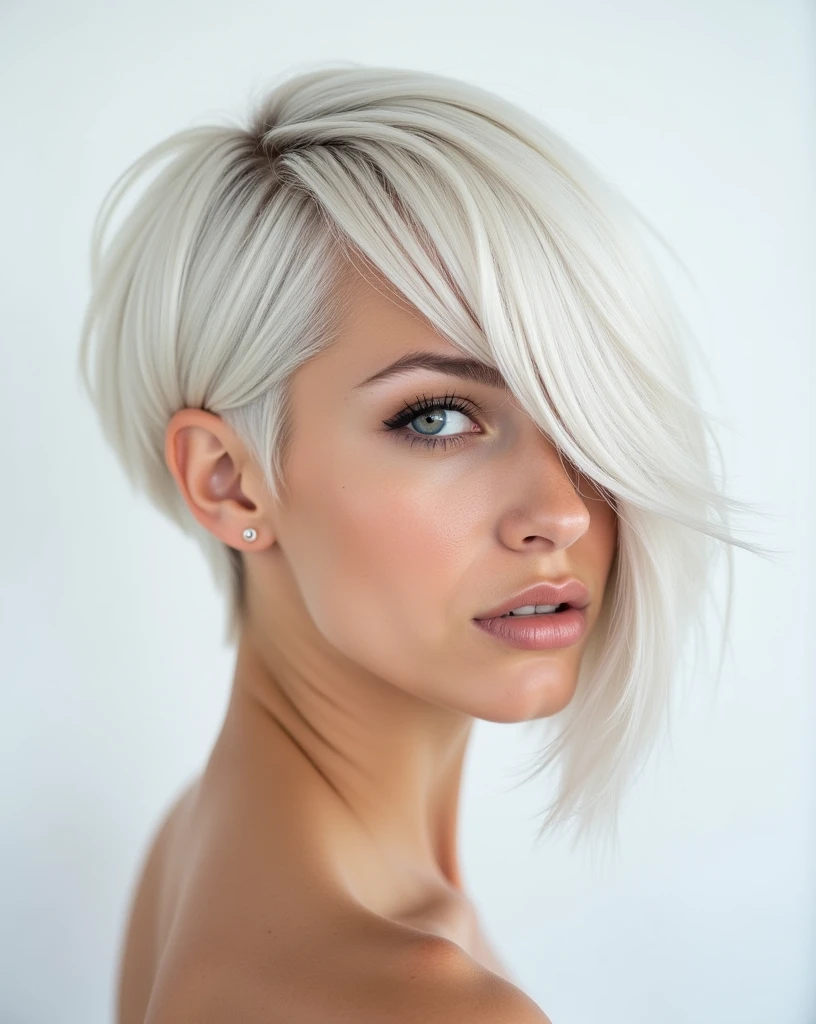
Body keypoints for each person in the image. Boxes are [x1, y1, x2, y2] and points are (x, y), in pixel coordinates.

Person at [77, 63, 770, 1023]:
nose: (563, 512)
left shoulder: (199, 842)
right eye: (438, 417)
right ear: (228, 480)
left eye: (582, 410)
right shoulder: (424, 1004)